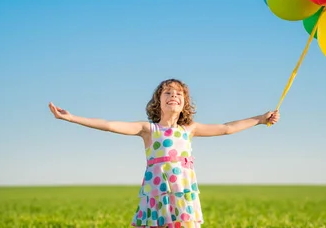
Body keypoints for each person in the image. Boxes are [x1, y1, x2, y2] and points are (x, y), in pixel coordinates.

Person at [48, 78, 280, 228]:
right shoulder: (148, 129)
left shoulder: (189, 130)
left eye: (179, 94)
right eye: (167, 92)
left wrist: (260, 119)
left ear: (184, 104)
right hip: (157, 198)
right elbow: (109, 124)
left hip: (183, 197)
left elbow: (227, 128)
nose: (173, 96)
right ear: (158, 102)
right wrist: (71, 117)